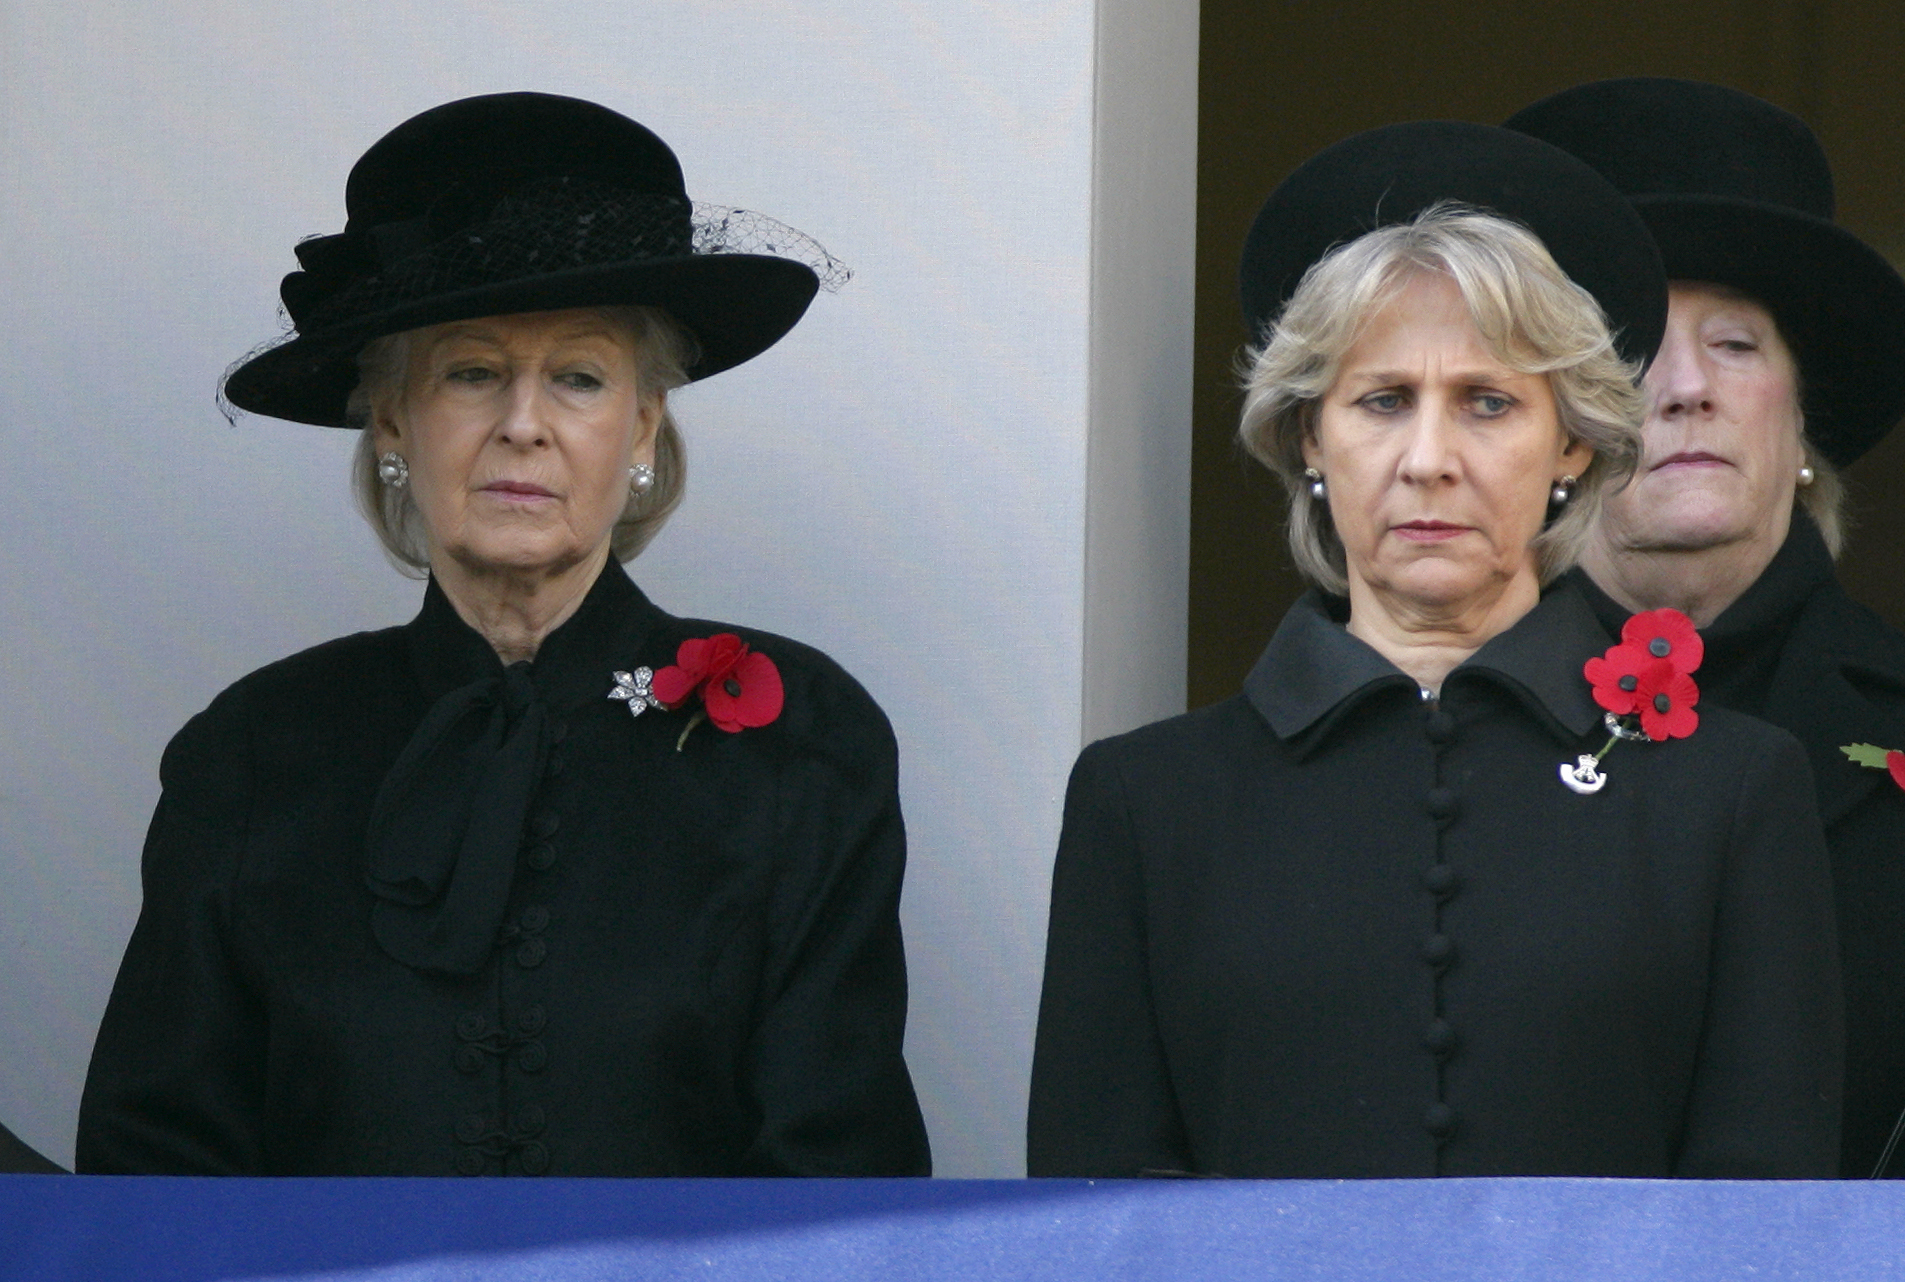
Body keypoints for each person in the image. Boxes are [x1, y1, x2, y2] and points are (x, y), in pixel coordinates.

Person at [76, 92, 930, 1177]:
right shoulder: (251, 751)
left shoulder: (801, 745)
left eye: (578, 377)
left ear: (642, 429)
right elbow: (156, 1175)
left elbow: (841, 1179)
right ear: (392, 420)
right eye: (471, 372)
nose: (523, 422)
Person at [1027, 122, 1842, 1178]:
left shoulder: (1730, 795)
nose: (1428, 460)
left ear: (1572, 444)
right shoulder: (1143, 802)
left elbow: (1764, 1216)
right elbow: (1096, 1220)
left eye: (1488, 403)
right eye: (1381, 401)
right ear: (1310, 438)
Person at [1507, 78, 1905, 1178]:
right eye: (1633, 348)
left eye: (1735, 344)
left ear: (1802, 411)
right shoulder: (1428, 727)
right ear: (1551, 425)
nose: (1686, 390)